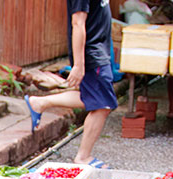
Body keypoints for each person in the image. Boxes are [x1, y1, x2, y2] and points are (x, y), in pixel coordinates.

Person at [24, 0, 117, 165]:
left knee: (95, 98)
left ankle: (39, 102)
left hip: (99, 50)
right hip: (92, 54)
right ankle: (83, 157)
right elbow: (77, 22)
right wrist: (79, 64)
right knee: (103, 105)